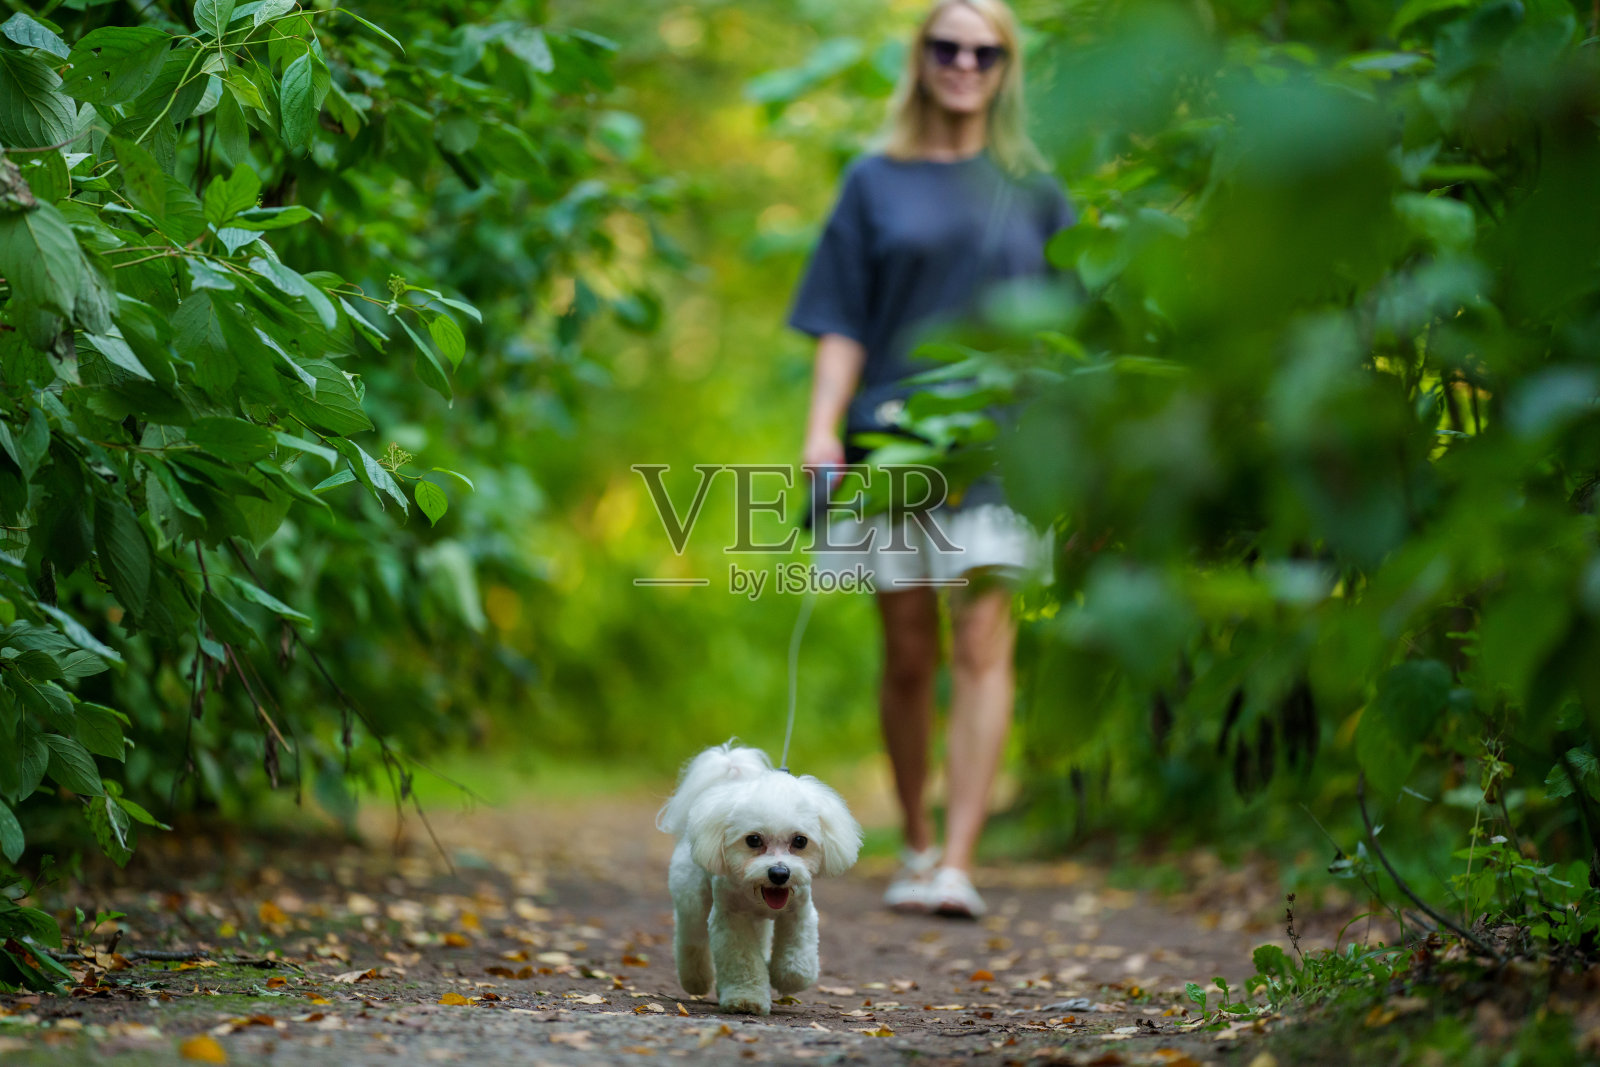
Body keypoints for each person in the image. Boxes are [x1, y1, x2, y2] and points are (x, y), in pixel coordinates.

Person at [786, 0, 1075, 918]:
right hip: (894, 439)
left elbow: (1072, 328)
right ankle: (914, 841)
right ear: (921, 60)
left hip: (1003, 442)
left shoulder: (1035, 187)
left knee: (985, 640)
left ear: (1005, 68)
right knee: (909, 649)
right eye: (946, 47)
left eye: (983, 51)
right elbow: (840, 318)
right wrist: (822, 428)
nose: (963, 63)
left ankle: (957, 861)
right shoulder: (874, 182)